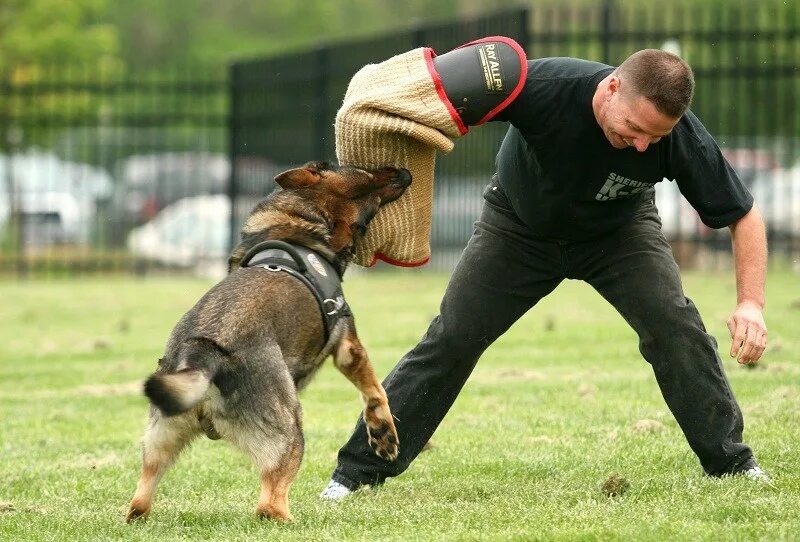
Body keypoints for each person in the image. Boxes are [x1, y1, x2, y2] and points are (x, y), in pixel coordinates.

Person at [321, 49, 770, 500]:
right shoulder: (545, 86)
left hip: (618, 236)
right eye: (634, 128)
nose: (641, 146)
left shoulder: (676, 137)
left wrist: (751, 303)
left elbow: (743, 216)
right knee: (453, 338)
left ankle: (732, 462)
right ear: (611, 88)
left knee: (675, 327)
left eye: (654, 138)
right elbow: (431, 96)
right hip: (518, 229)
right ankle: (355, 473)